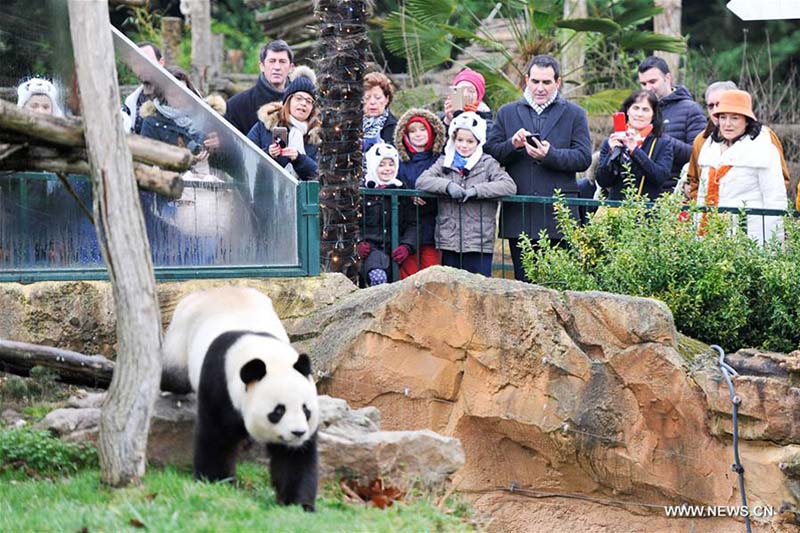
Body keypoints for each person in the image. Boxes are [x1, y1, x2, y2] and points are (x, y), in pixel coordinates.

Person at [485, 55, 592, 282]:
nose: (540, 88)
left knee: (558, 285)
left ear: (558, 82)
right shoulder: (507, 112)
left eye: (546, 82)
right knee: (524, 286)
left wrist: (549, 155)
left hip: (559, 216)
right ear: (526, 80)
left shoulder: (575, 114)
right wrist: (512, 145)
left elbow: (584, 158)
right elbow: (491, 152)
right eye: (535, 82)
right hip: (521, 214)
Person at [417, 112, 517, 277]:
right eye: (460, 140)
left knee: (479, 290)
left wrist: (477, 191)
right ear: (453, 140)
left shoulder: (487, 163)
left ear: (478, 142)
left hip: (478, 241)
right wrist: (447, 186)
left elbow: (508, 186)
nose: (464, 145)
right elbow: (423, 180)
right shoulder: (445, 161)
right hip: (449, 239)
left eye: (470, 141)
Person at [695, 89, 788, 244]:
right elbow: (701, 198)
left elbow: (775, 201)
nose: (727, 124)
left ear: (747, 120)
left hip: (749, 238)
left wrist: (773, 246)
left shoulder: (763, 150)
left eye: (735, 118)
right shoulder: (709, 148)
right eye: (723, 117)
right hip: (710, 236)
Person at [686, 80, 791, 202]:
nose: (727, 123)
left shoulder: (764, 139)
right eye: (711, 106)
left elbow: (777, 190)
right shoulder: (703, 141)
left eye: (734, 117)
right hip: (711, 219)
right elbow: (694, 182)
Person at [637, 56, 706, 192]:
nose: (648, 88)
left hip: (673, 195)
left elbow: (698, 156)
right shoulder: (637, 110)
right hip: (638, 194)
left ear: (667, 78)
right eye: (643, 84)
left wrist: (659, 138)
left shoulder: (691, 109)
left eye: (652, 82)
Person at [393, 108, 448, 278]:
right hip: (407, 229)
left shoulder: (440, 159)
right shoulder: (399, 162)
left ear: (431, 131)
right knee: (407, 276)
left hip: (433, 227)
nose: (418, 134)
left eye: (422, 129)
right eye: (412, 130)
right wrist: (408, 195)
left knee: (431, 274)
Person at [595, 89, 673, 201]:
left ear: (653, 115)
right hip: (615, 211)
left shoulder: (663, 143)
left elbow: (660, 178)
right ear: (627, 110)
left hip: (645, 211)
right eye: (636, 108)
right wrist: (612, 153)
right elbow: (603, 181)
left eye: (645, 110)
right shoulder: (612, 140)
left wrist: (635, 151)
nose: (639, 114)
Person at [357, 143, 415, 286]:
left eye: (391, 164)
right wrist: (356, 243)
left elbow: (413, 223)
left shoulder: (402, 190)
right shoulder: (362, 190)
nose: (387, 169)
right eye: (382, 165)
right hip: (371, 249)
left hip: (394, 250)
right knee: (377, 277)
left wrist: (407, 246)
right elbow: (350, 222)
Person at [247, 66, 320, 181]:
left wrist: (299, 158)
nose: (303, 103)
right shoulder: (265, 125)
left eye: (309, 101)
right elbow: (246, 158)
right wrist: (268, 153)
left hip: (305, 197)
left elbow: (322, 175)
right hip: (267, 195)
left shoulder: (318, 135)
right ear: (288, 101)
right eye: (299, 98)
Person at [225, 40, 294, 135]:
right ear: (262, 66)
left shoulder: (302, 104)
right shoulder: (236, 106)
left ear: (291, 67)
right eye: (272, 61)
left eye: (282, 61)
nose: (277, 67)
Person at [122, 41, 166, 134]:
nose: (142, 66)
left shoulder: (181, 92)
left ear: (161, 62)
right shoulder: (131, 102)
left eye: (147, 60)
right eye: (137, 63)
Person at [362, 72, 397, 152]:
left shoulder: (395, 128)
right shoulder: (351, 126)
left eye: (378, 98)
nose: (372, 102)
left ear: (387, 99)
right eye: (367, 98)